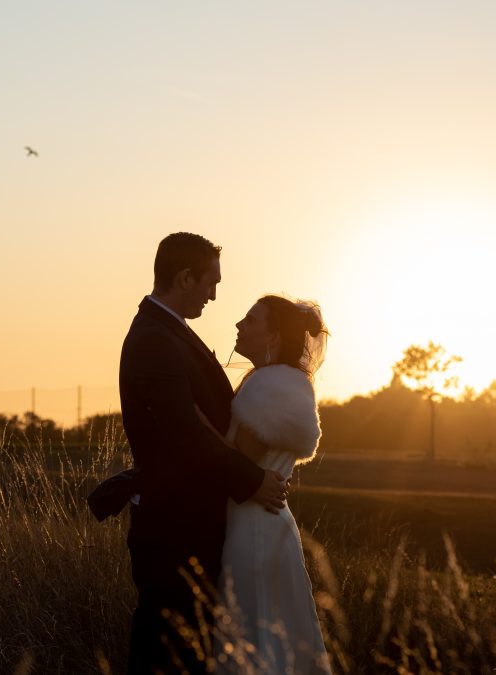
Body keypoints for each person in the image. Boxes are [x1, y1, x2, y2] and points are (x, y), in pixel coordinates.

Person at [113, 232, 291, 675]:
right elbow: (185, 432)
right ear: (185, 277)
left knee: (185, 654)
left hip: (189, 521)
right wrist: (252, 480)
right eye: (210, 283)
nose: (214, 295)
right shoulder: (155, 338)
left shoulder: (170, 332)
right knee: (168, 653)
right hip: (175, 525)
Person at [210, 295, 331, 674]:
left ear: (274, 337)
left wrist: (196, 421)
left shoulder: (269, 386)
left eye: (250, 321)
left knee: (251, 635)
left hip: (253, 525)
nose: (239, 325)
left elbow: (239, 461)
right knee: (275, 639)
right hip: (270, 522)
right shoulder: (285, 383)